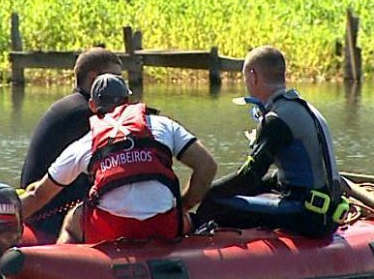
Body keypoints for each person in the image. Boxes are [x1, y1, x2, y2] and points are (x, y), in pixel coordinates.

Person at [20, 74, 218, 243]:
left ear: (92, 105)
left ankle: (64, 266)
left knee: (74, 218)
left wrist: (4, 218)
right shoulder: (164, 125)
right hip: (163, 226)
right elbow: (207, 166)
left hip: (110, 229)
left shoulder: (85, 143)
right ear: (128, 100)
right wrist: (184, 205)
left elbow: (39, 195)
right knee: (188, 219)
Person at [194, 46, 347, 237]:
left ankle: (191, 243)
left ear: (253, 76)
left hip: (308, 218)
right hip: (324, 213)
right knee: (238, 192)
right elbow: (282, 174)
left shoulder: (276, 119)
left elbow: (249, 175)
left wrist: (202, 192)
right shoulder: (300, 106)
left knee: (214, 203)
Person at [20, 47, 123, 237]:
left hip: (44, 204)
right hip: (50, 215)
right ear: (93, 79)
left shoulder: (71, 105)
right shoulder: (84, 114)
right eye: (116, 78)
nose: (121, 85)